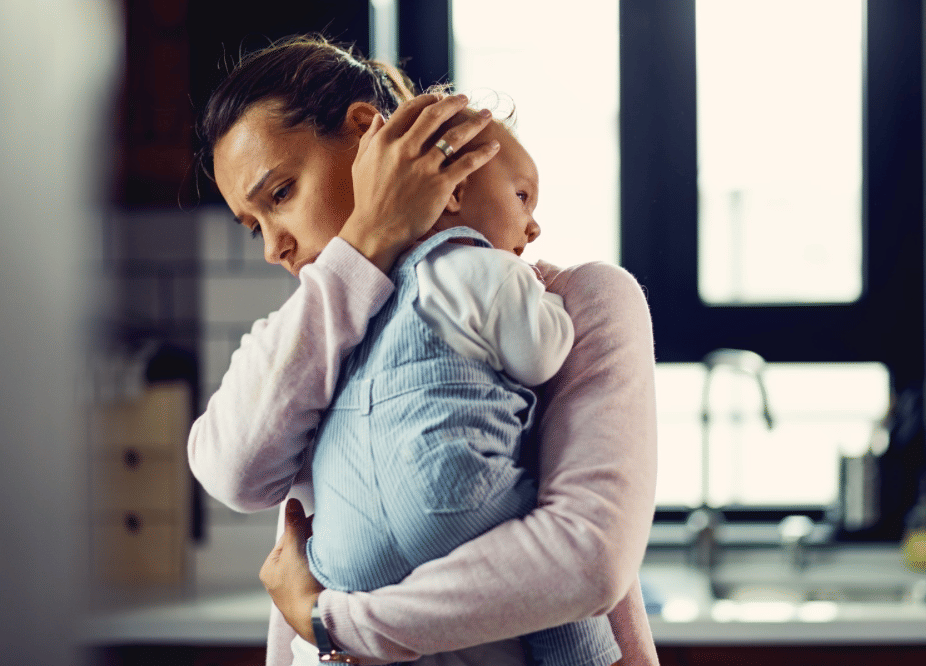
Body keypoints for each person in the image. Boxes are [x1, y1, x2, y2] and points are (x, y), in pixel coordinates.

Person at [188, 35, 659, 666]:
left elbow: (586, 563)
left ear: (364, 133)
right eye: (254, 225)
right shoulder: (298, 333)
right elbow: (236, 474)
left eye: (281, 195)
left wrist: (331, 622)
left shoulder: (573, 301)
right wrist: (363, 249)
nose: (273, 247)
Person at [302, 111, 619, 666]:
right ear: (452, 194)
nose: (534, 226)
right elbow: (540, 355)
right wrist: (552, 306)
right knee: (552, 555)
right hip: (450, 501)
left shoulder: (366, 296)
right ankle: (584, 660)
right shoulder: (485, 268)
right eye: (523, 196)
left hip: (345, 553)